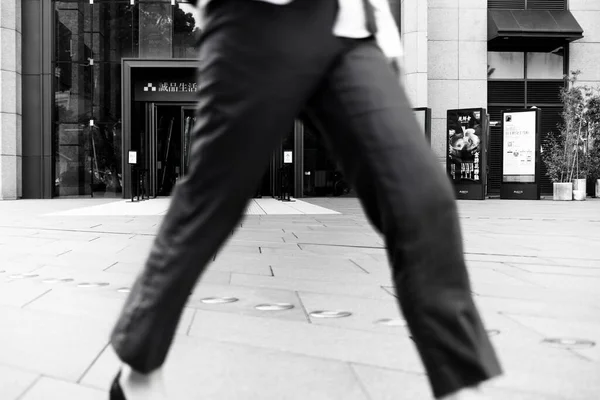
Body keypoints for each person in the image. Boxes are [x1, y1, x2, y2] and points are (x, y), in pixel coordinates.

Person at [109, 1, 502, 399]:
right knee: (211, 203)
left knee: (422, 198)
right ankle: (137, 369)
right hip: (253, 22)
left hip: (350, 30)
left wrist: (385, 33)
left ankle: (458, 385)